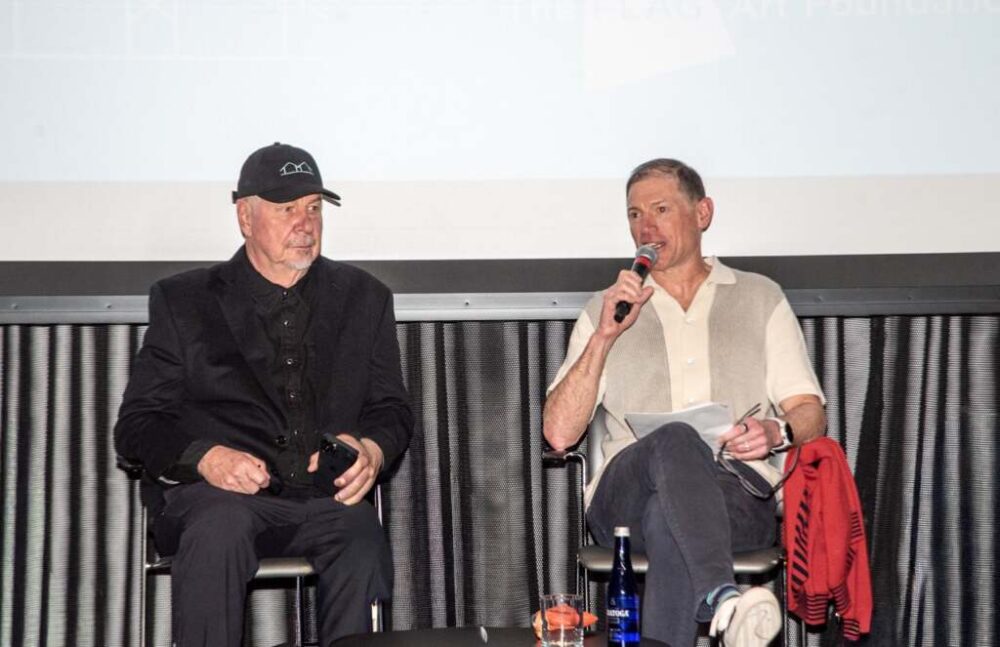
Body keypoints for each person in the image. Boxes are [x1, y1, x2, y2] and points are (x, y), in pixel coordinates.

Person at [115, 142, 413, 646]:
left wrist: (372, 449)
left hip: (323, 500)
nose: (305, 223)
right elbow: (137, 426)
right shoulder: (185, 301)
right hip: (216, 501)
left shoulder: (364, 297)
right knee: (219, 529)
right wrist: (206, 457)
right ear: (245, 218)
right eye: (286, 209)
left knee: (361, 535)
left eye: (313, 208)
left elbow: (392, 409)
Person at [543, 159, 826, 647]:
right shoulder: (606, 308)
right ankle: (722, 595)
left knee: (667, 520)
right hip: (625, 498)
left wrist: (776, 431)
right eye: (634, 214)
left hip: (736, 494)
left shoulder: (760, 297)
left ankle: (717, 602)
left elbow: (810, 413)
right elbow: (559, 434)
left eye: (660, 210)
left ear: (702, 213)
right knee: (675, 439)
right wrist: (605, 336)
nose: (645, 228)